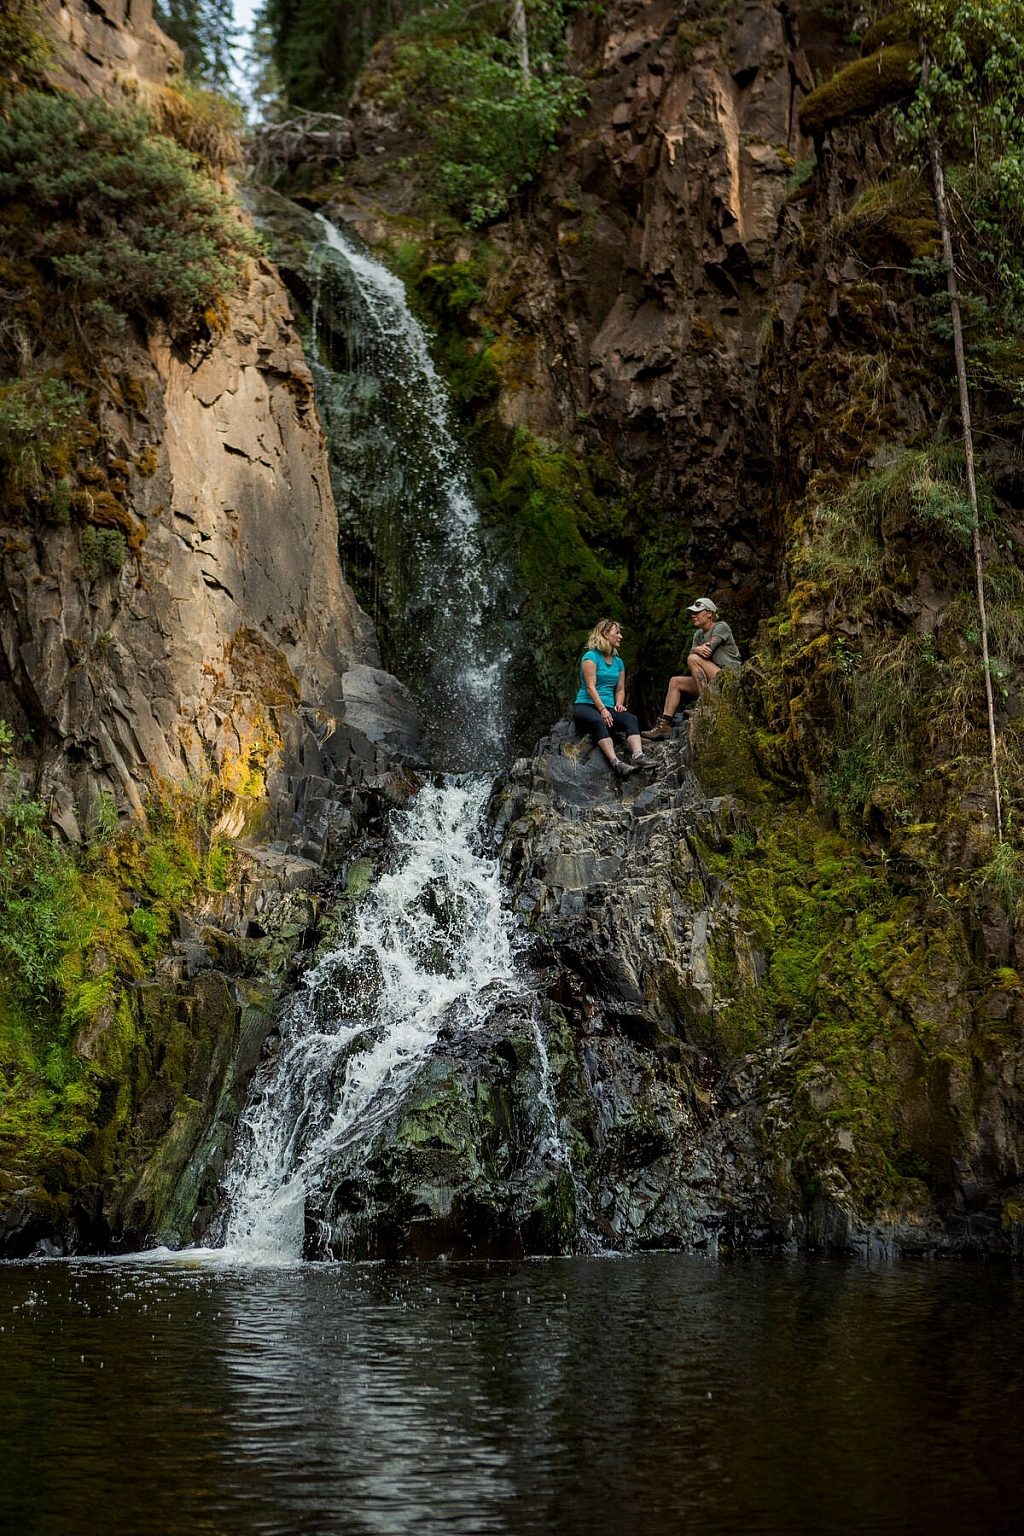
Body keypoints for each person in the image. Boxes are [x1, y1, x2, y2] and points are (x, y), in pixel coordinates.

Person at [642, 597, 741, 740]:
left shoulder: (721, 626)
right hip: (713, 680)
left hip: (730, 677)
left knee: (693, 658)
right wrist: (696, 649)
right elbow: (694, 656)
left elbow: (707, 650)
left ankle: (703, 703)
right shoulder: (698, 634)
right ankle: (664, 724)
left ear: (709, 613)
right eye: (692, 613)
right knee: (675, 681)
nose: (693, 616)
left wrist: (697, 650)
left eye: (698, 612)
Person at [573, 619, 649, 778]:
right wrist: (602, 710)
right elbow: (590, 687)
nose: (620, 636)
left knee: (631, 719)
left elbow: (620, 688)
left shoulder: (618, 662)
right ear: (605, 634)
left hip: (608, 707)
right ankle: (616, 762)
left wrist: (619, 705)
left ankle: (638, 756)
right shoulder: (590, 657)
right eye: (617, 633)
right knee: (598, 721)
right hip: (586, 705)